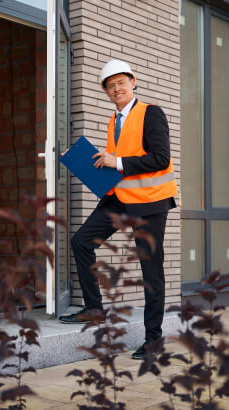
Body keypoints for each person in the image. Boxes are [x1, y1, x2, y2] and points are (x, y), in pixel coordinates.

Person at [59, 59, 178, 360]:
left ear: (133, 82)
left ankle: (153, 340)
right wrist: (82, 159)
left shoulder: (151, 113)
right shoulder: (114, 121)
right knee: (81, 240)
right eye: (110, 86)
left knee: (151, 270)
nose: (116, 89)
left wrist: (118, 162)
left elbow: (161, 159)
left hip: (151, 202)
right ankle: (95, 309)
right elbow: (117, 161)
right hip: (122, 197)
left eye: (121, 83)